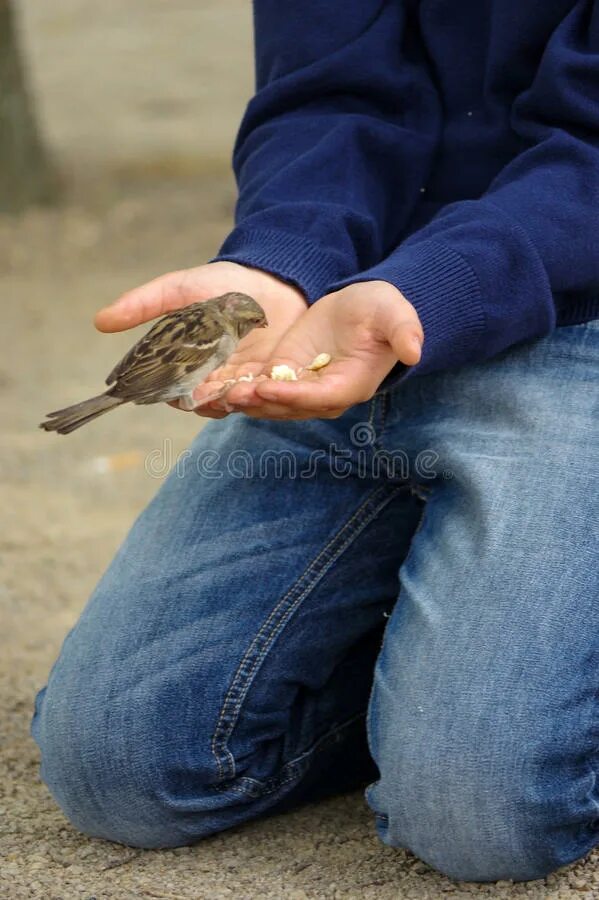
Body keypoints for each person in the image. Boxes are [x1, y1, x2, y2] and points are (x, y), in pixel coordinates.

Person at [32, 0, 599, 883]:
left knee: (475, 816)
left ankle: (508, 674)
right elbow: (324, 89)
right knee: (120, 766)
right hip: (336, 312)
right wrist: (282, 257)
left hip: (572, 306)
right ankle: (439, 657)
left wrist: (433, 286)